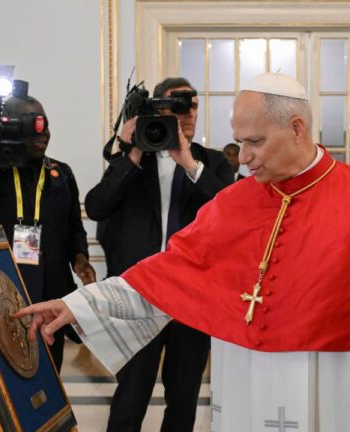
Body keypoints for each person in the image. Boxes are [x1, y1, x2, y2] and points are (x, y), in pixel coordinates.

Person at [16, 72, 350, 432]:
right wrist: (79, 305)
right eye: (240, 143)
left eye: (255, 142)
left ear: (297, 129)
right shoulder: (233, 203)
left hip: (332, 372)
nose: (246, 157)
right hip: (244, 372)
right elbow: (171, 270)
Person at [85, 76, 233, 432]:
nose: (188, 113)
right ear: (157, 108)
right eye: (178, 105)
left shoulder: (210, 163)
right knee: (130, 396)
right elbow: (97, 206)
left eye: (193, 105)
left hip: (193, 297)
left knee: (183, 399)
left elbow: (232, 212)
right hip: (141, 294)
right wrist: (132, 150)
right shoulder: (135, 164)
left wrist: (188, 164)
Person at [0, 95, 95, 371]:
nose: (43, 134)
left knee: (50, 370)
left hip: (52, 290)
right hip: (5, 290)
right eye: (34, 126)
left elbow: (73, 227)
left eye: (45, 126)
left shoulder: (61, 173)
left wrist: (80, 259)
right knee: (10, 371)